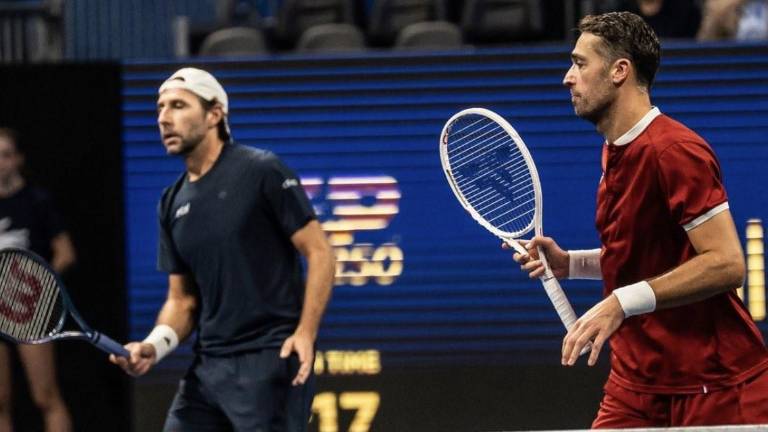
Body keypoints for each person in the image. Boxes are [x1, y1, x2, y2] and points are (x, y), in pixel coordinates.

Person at [512, 12, 768, 428]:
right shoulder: (614, 150)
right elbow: (647, 255)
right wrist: (570, 264)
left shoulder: (675, 151)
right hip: (635, 384)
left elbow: (726, 264)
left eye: (579, 64)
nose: (567, 78)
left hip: (715, 385)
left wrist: (620, 303)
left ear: (619, 71)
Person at [110, 67, 336, 431]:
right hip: (208, 370)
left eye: (178, 105)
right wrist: (154, 346)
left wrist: (306, 332)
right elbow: (182, 300)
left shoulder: (262, 170)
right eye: (160, 107)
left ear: (214, 114)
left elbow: (321, 252)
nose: (163, 118)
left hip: (270, 359)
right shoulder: (171, 201)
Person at [0, 128, 75, 432]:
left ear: (18, 159)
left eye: (5, 155)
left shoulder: (36, 201)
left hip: (29, 311)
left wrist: (38, 287)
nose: (0, 163)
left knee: (45, 396)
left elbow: (65, 253)